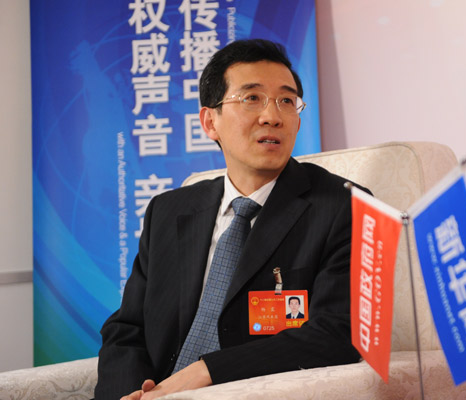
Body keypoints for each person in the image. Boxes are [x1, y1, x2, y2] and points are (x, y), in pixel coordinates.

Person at [95, 39, 364, 400]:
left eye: (287, 101)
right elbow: (127, 328)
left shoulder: (342, 206)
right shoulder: (168, 211)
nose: (272, 116)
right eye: (252, 98)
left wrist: (208, 371)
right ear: (210, 122)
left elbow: (337, 333)